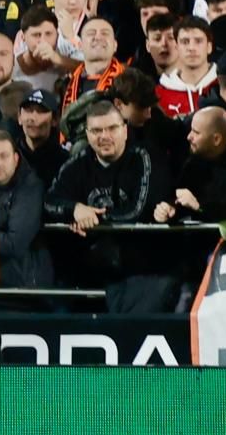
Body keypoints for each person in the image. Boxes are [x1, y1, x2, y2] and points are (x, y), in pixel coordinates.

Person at [44, 99, 172, 313]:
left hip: (143, 274)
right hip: (89, 274)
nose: (104, 136)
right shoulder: (78, 163)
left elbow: (139, 211)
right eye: (96, 131)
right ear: (87, 133)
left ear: (124, 130)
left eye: (112, 128)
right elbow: (49, 202)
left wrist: (92, 220)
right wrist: (75, 209)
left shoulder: (145, 158)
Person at [0, 129, 51, 293]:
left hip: (24, 289)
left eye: (4, 156)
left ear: (16, 159)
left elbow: (14, 243)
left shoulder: (31, 186)